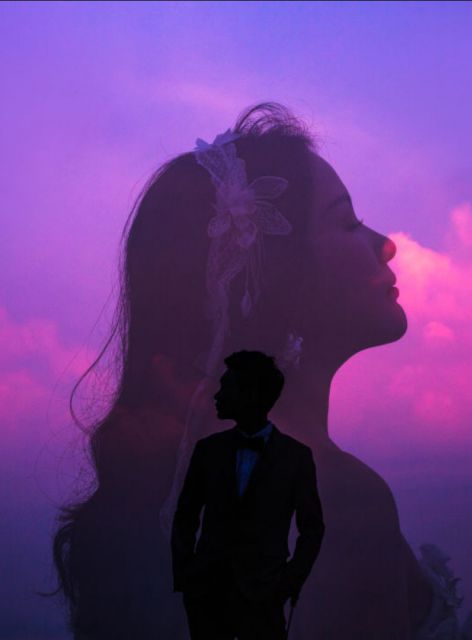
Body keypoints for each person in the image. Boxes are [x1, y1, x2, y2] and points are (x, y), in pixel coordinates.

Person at [48, 101, 434, 639]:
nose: (386, 246)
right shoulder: (340, 501)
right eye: (346, 222)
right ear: (281, 279)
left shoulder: (184, 500)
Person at [171, 351, 325, 640]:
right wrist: (188, 575)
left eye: (226, 386)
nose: (217, 395)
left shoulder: (296, 457)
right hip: (207, 595)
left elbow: (312, 528)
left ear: (251, 394)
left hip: (264, 596)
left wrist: (288, 582)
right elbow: (185, 516)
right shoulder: (208, 450)